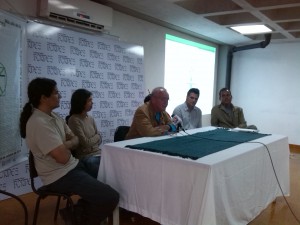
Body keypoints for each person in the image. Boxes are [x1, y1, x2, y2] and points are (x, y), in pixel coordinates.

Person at [19, 77, 119, 225]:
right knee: (110, 196)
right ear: (44, 98)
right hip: (59, 176)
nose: (60, 96)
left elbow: (75, 139)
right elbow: (64, 157)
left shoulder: (53, 116)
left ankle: (75, 213)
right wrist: (67, 144)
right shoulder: (39, 123)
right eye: (56, 93)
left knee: (109, 179)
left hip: (72, 167)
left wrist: (63, 144)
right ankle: (78, 217)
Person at [66, 89, 101, 178]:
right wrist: (97, 136)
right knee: (95, 164)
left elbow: (100, 139)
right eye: (89, 100)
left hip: (98, 152)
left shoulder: (90, 118)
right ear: (81, 102)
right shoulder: (74, 120)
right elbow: (85, 143)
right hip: (85, 156)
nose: (92, 103)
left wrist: (96, 137)